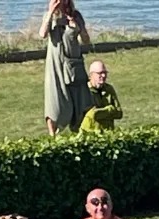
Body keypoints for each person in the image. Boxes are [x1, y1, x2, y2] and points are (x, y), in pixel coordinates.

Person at [41, 0, 92, 136]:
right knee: (55, 97)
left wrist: (77, 28)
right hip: (56, 63)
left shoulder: (76, 15)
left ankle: (80, 130)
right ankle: (53, 134)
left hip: (74, 62)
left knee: (80, 97)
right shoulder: (50, 16)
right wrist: (51, 12)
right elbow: (42, 34)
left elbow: (86, 40)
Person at [79, 61, 122, 133]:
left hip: (108, 134)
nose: (103, 76)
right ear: (91, 75)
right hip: (90, 134)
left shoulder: (109, 89)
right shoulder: (84, 91)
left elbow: (119, 113)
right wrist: (110, 109)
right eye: (100, 73)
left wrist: (101, 112)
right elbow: (90, 115)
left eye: (105, 73)